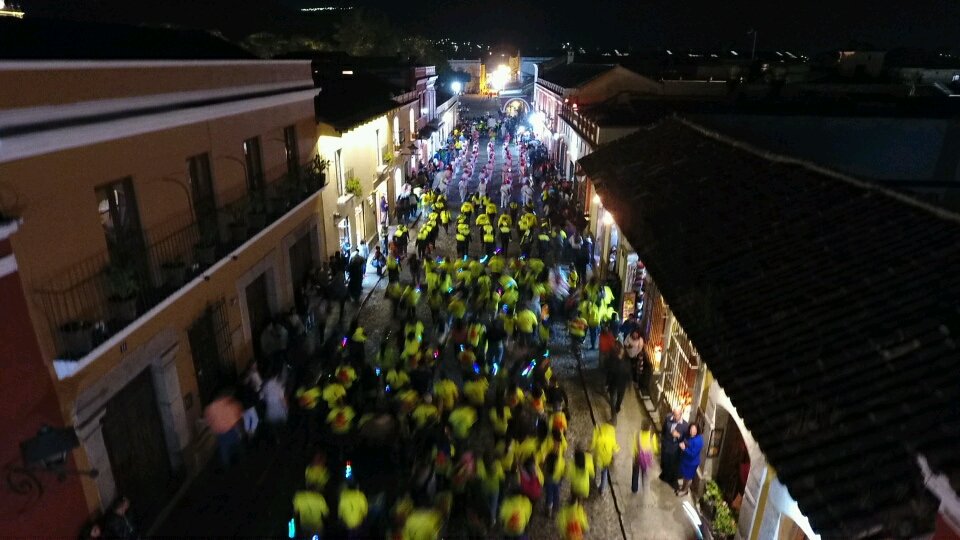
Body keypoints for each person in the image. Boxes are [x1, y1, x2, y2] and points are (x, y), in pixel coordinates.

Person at [659, 408, 688, 489]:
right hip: (666, 445)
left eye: (677, 415)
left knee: (673, 465)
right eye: (674, 414)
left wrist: (678, 435)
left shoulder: (685, 425)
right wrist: (663, 440)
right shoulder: (668, 418)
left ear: (681, 414)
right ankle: (664, 476)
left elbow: (686, 439)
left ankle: (671, 480)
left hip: (675, 449)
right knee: (665, 462)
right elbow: (664, 430)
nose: (675, 417)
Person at [605, 342, 631, 419]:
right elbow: (610, 373)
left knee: (619, 398)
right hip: (615, 383)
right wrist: (607, 383)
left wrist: (629, 383)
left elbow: (629, 373)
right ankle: (614, 412)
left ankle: (616, 409)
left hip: (621, 384)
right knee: (613, 398)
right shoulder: (614, 360)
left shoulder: (626, 361)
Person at [676, 423, 703, 497]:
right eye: (691, 429)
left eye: (694, 430)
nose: (692, 431)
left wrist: (684, 448)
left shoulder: (698, 441)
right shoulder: (689, 436)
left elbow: (692, 454)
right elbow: (686, 442)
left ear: (698, 430)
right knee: (685, 476)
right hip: (686, 460)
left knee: (688, 478)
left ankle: (685, 491)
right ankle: (683, 488)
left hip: (692, 463)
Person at [632, 420, 658, 493]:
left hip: (637, 456)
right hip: (646, 459)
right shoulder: (652, 436)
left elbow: (634, 446)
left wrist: (635, 455)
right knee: (644, 472)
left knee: (635, 472)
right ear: (649, 428)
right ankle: (644, 487)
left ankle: (634, 488)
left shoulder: (637, 434)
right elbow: (655, 448)